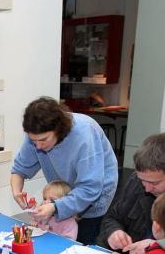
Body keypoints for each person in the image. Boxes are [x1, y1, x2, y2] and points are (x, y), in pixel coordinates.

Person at [10, 96, 118, 245]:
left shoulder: (84, 135)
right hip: (62, 194)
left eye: (43, 140)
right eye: (34, 141)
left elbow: (90, 188)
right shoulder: (37, 135)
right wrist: (16, 192)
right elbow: (20, 168)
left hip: (93, 196)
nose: (38, 146)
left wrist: (55, 207)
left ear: (58, 129)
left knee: (82, 244)